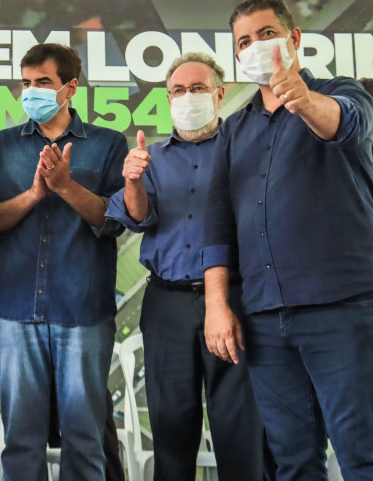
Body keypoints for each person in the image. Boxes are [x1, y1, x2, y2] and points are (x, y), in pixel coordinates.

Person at [203, 0, 373, 481]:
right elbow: (217, 224)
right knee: (293, 462)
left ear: (293, 38)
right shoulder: (233, 129)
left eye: (265, 35)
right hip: (264, 319)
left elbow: (346, 126)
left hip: (340, 308)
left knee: (362, 454)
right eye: (244, 42)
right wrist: (218, 304)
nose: (255, 47)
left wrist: (303, 98)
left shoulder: (342, 92)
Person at [106, 53, 270, 480]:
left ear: (219, 94)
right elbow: (139, 218)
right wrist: (133, 180)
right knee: (171, 427)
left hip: (236, 299)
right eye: (178, 90)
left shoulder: (246, 148)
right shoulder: (150, 156)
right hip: (168, 303)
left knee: (240, 428)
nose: (187, 97)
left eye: (197, 88)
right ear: (167, 99)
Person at [0, 43, 127, 480]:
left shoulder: (107, 145)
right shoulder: (1, 146)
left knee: (84, 438)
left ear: (70, 88)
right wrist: (32, 196)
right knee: (20, 438)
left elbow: (114, 220)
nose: (32, 92)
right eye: (25, 83)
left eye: (43, 82)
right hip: (14, 311)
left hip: (82, 308)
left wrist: (66, 187)